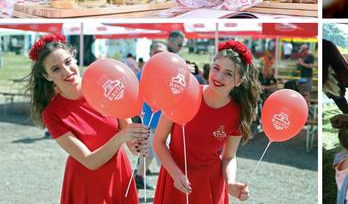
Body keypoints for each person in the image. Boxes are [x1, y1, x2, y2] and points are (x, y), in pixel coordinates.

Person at [25, 34, 148, 203]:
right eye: (55, 69)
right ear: (47, 76)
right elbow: (90, 161)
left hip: (119, 173)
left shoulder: (103, 84)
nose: (67, 71)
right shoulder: (52, 113)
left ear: (74, 59)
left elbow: (130, 140)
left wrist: (137, 145)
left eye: (68, 62)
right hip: (87, 183)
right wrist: (121, 137)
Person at [153, 40, 261, 203]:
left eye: (228, 73)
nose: (218, 76)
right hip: (175, 179)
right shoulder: (184, 94)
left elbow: (229, 157)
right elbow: (159, 142)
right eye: (216, 68)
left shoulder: (237, 113)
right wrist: (176, 174)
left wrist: (230, 182)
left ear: (239, 81)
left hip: (210, 184)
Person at [136, 41, 168, 189]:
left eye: (163, 52)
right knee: (165, 155)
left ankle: (139, 176)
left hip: (164, 120)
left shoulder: (168, 71)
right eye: (156, 52)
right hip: (153, 121)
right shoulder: (144, 73)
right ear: (150, 54)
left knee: (148, 153)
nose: (160, 55)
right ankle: (168, 186)